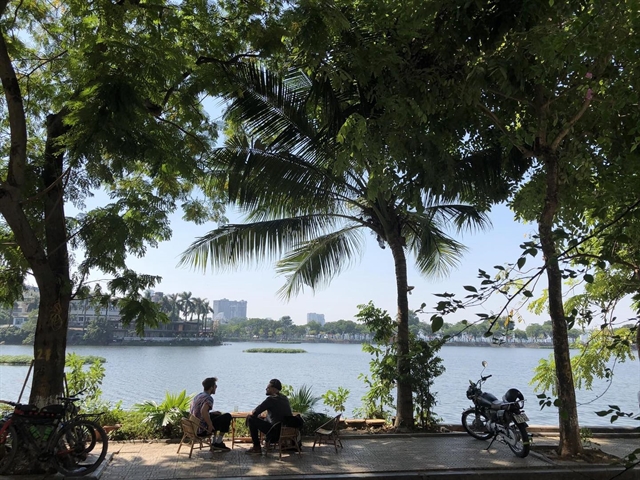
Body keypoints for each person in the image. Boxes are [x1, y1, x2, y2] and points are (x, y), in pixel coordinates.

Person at [245, 378, 292, 454]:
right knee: (260, 418)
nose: (266, 389)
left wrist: (252, 415)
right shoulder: (285, 398)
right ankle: (265, 443)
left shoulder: (270, 400)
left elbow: (254, 412)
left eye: (268, 387)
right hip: (285, 431)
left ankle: (256, 447)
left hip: (274, 433)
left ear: (273, 389)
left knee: (251, 418)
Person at [190, 377, 232, 452]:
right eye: (215, 386)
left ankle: (214, 442)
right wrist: (210, 425)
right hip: (202, 429)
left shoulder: (199, 396)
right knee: (227, 416)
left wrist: (212, 413)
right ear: (211, 387)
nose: (216, 387)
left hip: (195, 426)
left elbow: (197, 410)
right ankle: (218, 442)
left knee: (216, 415)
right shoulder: (208, 398)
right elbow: (203, 411)